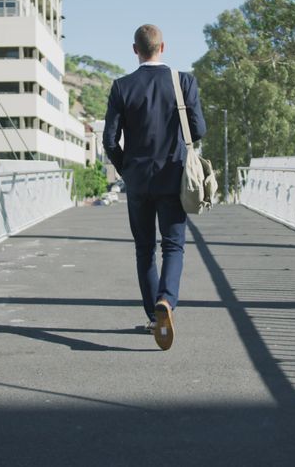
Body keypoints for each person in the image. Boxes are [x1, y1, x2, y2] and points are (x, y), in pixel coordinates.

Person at [103, 24, 206, 351]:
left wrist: (127, 169)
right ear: (163, 47)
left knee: (144, 249)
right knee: (173, 246)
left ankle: (153, 316)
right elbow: (199, 129)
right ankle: (166, 301)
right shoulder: (183, 81)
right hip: (174, 176)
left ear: (135, 49)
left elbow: (109, 140)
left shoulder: (122, 86)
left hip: (137, 179)